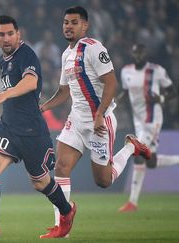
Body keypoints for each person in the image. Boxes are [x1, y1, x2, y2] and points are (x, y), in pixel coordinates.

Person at [39, 6, 151, 238]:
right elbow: (63, 90)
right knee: (60, 167)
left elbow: (111, 83)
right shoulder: (65, 54)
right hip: (76, 120)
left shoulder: (94, 48)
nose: (68, 26)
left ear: (85, 25)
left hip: (100, 121)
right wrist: (45, 106)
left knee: (104, 180)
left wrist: (100, 114)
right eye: (65, 22)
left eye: (74, 22)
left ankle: (131, 146)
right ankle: (63, 226)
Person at [0, 15, 76, 240]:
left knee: (39, 182)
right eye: (1, 34)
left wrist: (4, 94)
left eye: (10, 33)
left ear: (18, 34)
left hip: (32, 132)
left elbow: (30, 82)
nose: (6, 38)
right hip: (9, 127)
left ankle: (67, 212)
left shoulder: (26, 54)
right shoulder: (3, 60)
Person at [118, 43, 179, 212]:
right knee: (150, 162)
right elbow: (126, 92)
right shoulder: (126, 71)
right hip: (138, 120)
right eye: (136, 53)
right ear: (132, 53)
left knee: (137, 153)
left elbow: (173, 91)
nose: (138, 56)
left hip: (153, 119)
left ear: (146, 54)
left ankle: (132, 202)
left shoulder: (156, 70)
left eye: (141, 53)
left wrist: (161, 98)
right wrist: (117, 101)